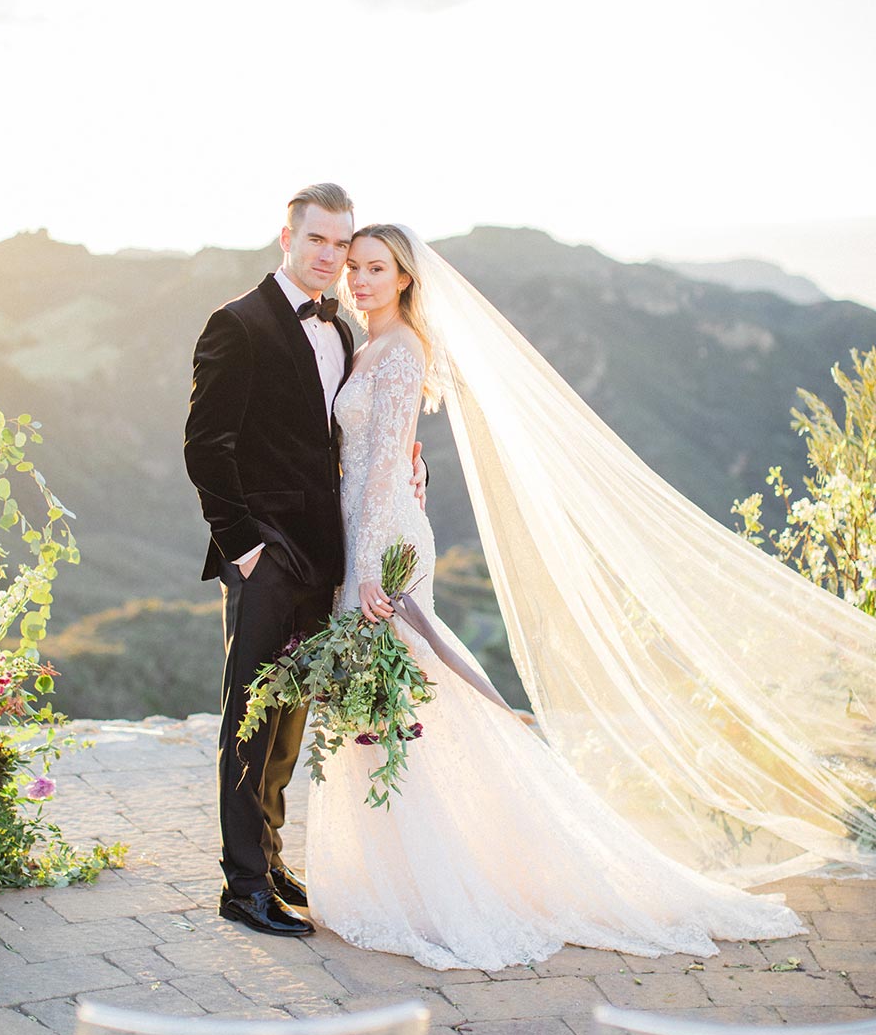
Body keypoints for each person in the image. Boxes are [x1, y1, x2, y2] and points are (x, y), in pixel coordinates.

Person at [306, 223, 876, 971]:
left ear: (406, 277)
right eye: (354, 267)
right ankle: (395, 876)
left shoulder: (404, 350)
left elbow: (383, 465)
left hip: (383, 546)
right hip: (367, 531)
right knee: (391, 704)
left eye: (376, 267)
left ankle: (439, 881)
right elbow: (393, 456)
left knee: (405, 702)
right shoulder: (366, 344)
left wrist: (374, 565)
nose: (361, 279)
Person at [184, 186, 427, 937]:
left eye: (341, 245)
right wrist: (246, 549)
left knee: (289, 719)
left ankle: (271, 856)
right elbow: (205, 446)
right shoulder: (239, 322)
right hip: (267, 557)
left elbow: (353, 447)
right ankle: (242, 885)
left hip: (327, 554)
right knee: (250, 715)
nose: (329, 256)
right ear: (286, 235)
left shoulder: (346, 334)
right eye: (318, 240)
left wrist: (412, 472)